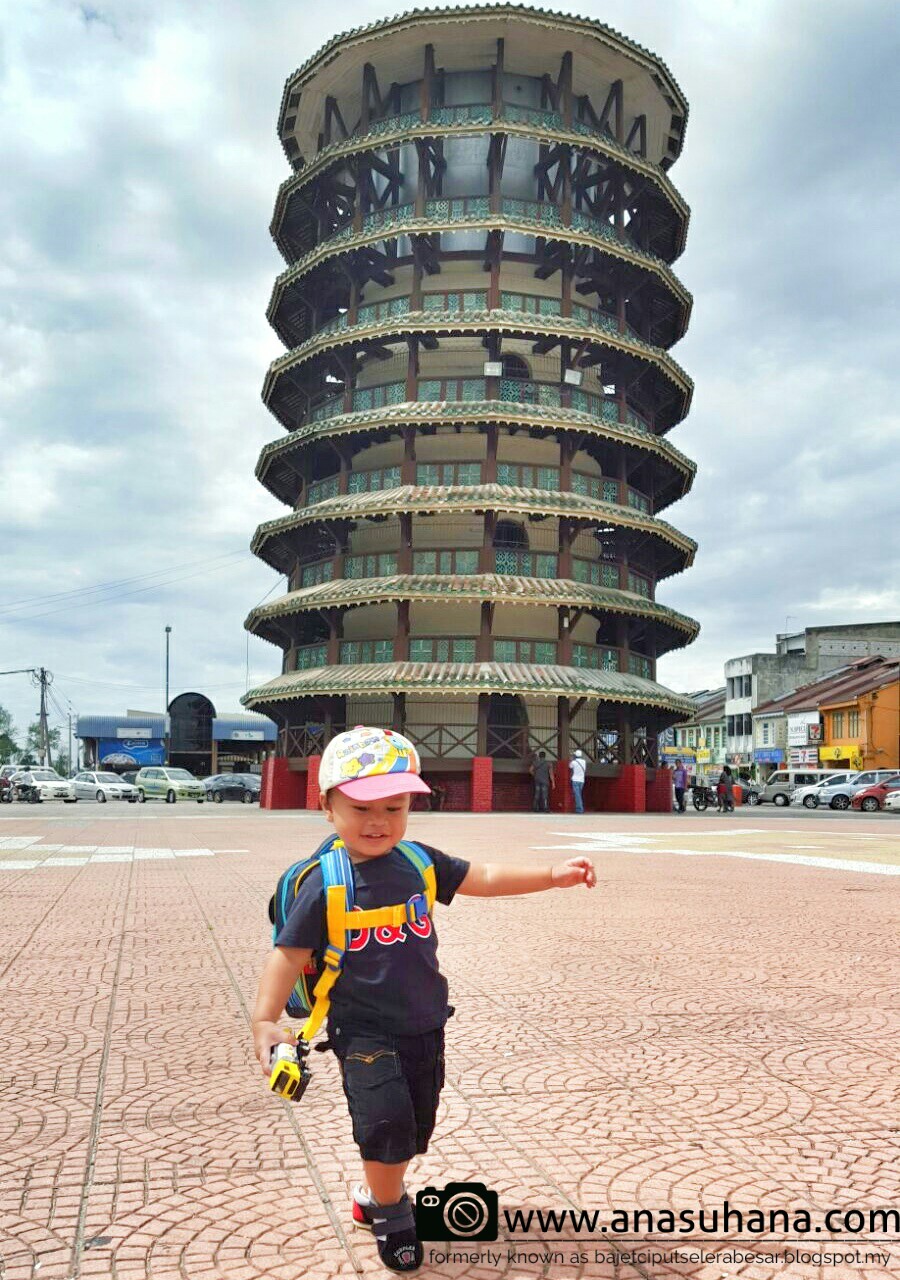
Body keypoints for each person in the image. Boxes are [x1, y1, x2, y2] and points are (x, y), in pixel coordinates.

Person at [251, 726, 595, 1273]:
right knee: (385, 1120)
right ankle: (392, 1210)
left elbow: (480, 876)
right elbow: (289, 954)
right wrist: (266, 1021)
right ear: (327, 807)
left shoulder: (416, 860)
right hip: (360, 1026)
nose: (378, 821)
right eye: (362, 807)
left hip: (425, 1020)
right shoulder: (326, 881)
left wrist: (550, 876)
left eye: (395, 806)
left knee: (414, 1123)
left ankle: (373, 1194)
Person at [569, 748, 587, 813]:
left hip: (575, 780)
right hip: (582, 780)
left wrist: (571, 759)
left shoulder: (574, 762)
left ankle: (580, 809)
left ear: (575, 755)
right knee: (578, 794)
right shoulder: (584, 761)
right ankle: (578, 808)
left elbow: (570, 766)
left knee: (577, 795)